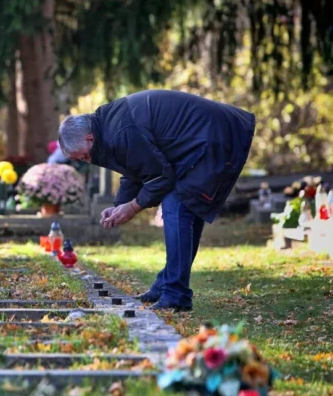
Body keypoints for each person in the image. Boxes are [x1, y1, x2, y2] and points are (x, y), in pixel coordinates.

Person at [58, 89, 255, 311]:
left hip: (212, 137)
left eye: (84, 155)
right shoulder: (108, 127)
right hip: (205, 138)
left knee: (177, 208)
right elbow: (135, 169)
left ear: (89, 138)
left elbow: (161, 176)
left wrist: (132, 207)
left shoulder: (119, 132)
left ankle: (176, 294)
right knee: (184, 210)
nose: (87, 160)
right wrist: (117, 207)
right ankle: (165, 287)